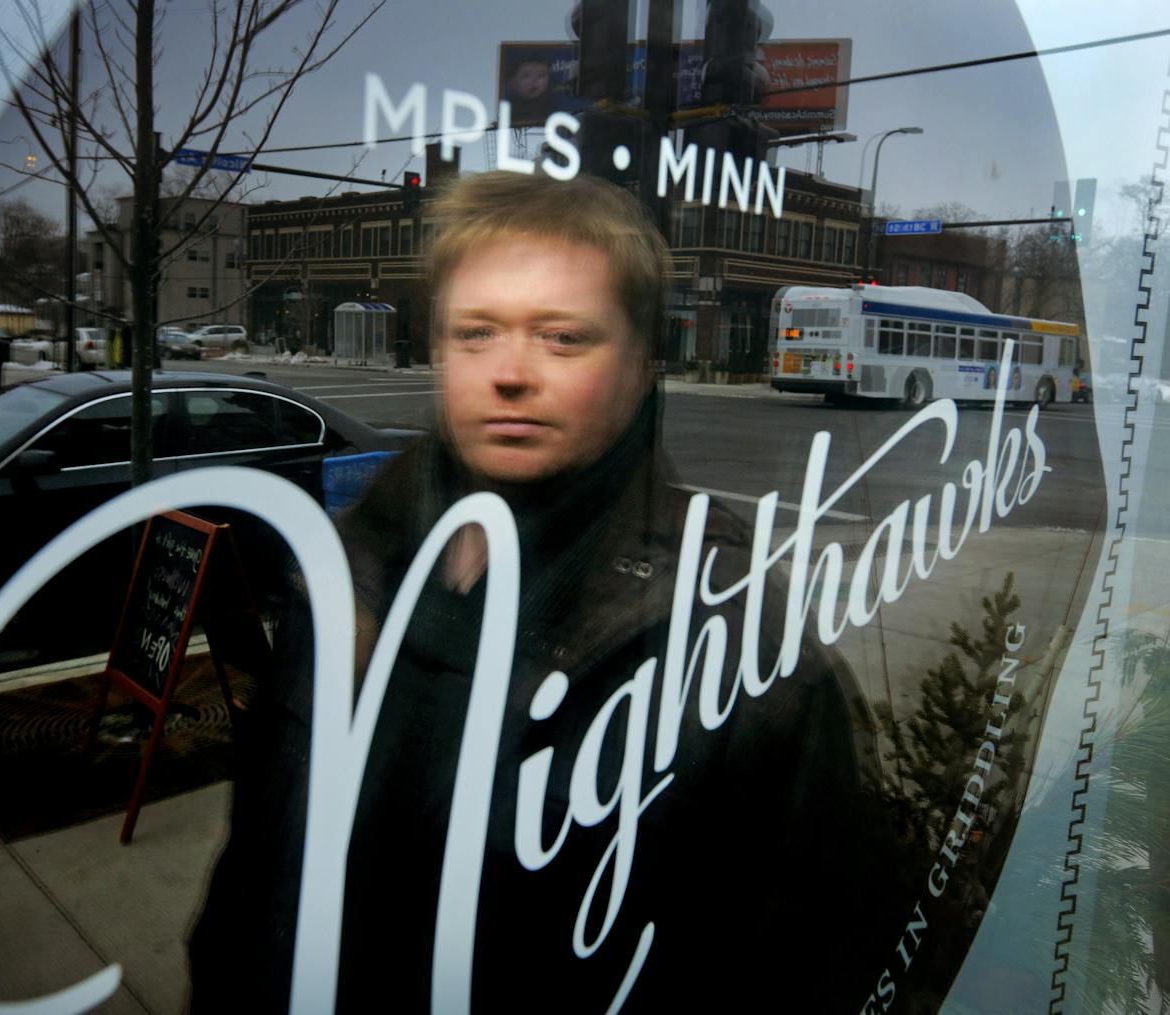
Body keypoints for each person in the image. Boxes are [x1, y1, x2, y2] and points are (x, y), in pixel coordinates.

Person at [187, 171, 901, 1012]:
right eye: (477, 332)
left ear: (641, 366)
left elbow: (802, 958)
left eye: (563, 337)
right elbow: (259, 870)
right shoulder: (356, 564)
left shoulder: (724, 627)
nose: (511, 372)